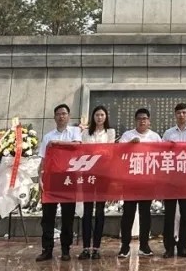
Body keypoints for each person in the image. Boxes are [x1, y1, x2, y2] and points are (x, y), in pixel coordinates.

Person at [37, 103, 82, 262]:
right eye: (58, 114)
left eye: (64, 113)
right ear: (54, 117)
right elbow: (43, 160)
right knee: (47, 217)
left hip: (69, 178)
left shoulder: (75, 132)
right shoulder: (48, 136)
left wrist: (57, 144)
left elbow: (77, 146)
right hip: (51, 179)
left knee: (67, 216)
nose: (61, 116)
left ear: (68, 116)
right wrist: (39, 178)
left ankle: (65, 250)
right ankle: (47, 249)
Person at [117, 107, 162, 258]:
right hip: (130, 179)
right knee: (128, 213)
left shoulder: (155, 137)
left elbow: (161, 156)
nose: (142, 121)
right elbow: (118, 152)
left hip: (147, 180)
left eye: (145, 119)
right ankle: (125, 246)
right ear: (135, 121)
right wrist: (130, 144)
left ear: (149, 121)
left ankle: (144, 245)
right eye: (139, 119)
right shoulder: (127, 135)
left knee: (145, 213)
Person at [161, 102, 186, 257]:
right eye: (178, 113)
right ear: (175, 115)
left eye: (184, 113)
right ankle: (169, 247)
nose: (181, 115)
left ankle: (183, 246)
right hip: (170, 178)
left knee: (185, 213)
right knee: (169, 214)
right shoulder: (168, 133)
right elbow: (160, 154)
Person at [78, 105, 115, 260]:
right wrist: (98, 151)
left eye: (102, 115)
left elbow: (109, 152)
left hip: (103, 174)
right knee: (87, 211)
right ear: (93, 117)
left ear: (105, 117)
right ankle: (86, 247)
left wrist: (96, 152)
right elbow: (84, 151)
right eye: (97, 115)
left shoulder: (110, 132)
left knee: (100, 211)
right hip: (88, 174)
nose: (99, 117)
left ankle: (97, 247)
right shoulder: (85, 133)